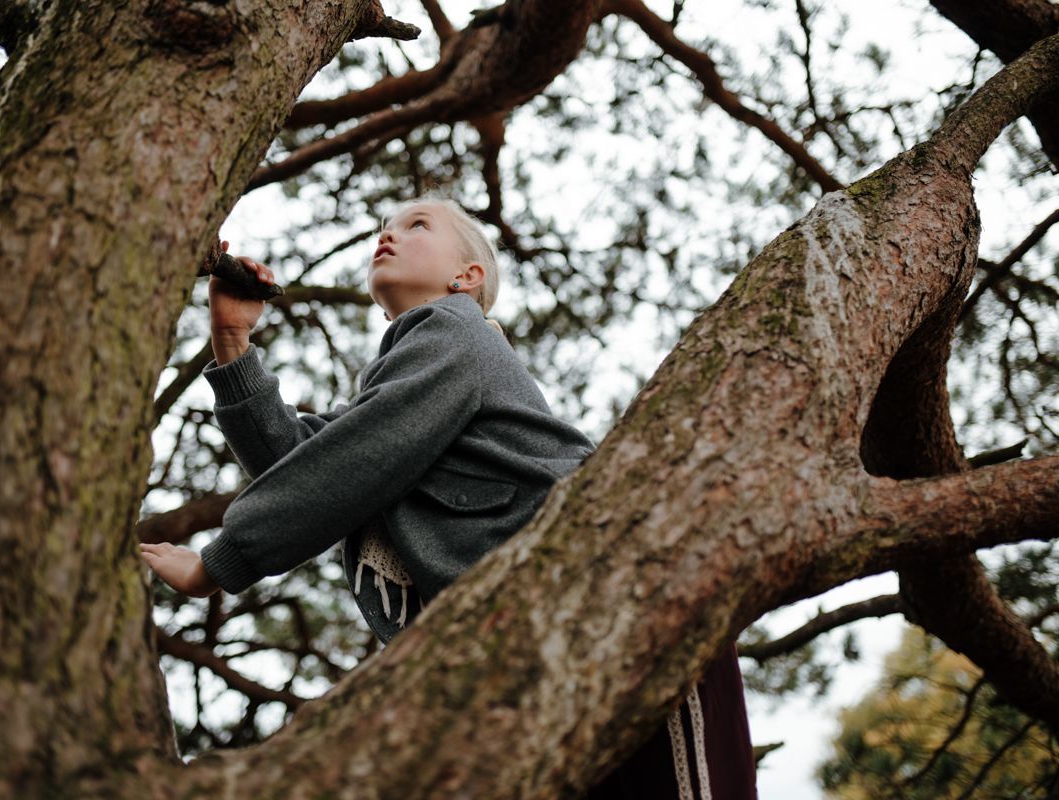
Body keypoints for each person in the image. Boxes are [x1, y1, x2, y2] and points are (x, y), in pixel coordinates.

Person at [139, 195, 755, 799]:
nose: (389, 234)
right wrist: (231, 336)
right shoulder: (409, 382)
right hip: (553, 646)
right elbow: (307, 465)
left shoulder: (455, 332)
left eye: (417, 225)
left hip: (627, 595)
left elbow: (353, 459)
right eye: (384, 226)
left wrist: (218, 564)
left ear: (467, 278)